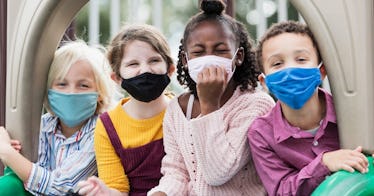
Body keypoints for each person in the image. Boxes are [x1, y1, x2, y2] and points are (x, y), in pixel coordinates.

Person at [148, 0, 275, 195]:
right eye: (198, 52)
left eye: (220, 50)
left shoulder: (257, 105)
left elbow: (218, 173)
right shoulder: (178, 108)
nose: (209, 59)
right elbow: (177, 172)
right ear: (185, 60)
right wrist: (162, 193)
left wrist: (209, 105)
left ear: (238, 56)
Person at [247, 20, 370, 196]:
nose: (290, 69)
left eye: (301, 59)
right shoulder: (261, 133)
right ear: (264, 82)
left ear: (321, 71)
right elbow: (281, 191)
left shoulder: (352, 112)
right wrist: (324, 163)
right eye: (277, 64)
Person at [0, 40, 115, 195]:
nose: (71, 92)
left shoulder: (101, 131)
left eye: (83, 85)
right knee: (9, 185)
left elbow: (61, 187)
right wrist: (13, 149)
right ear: (49, 91)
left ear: (99, 94)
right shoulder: (43, 126)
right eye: (62, 84)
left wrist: (7, 153)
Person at [77, 24, 175, 196]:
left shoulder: (183, 110)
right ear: (117, 78)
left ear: (170, 69)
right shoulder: (108, 126)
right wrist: (106, 192)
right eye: (132, 64)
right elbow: (118, 189)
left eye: (154, 60)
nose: (145, 70)